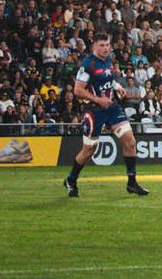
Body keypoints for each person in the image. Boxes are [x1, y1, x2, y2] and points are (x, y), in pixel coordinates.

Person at [63, 31, 147, 198]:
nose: (105, 48)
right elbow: (78, 90)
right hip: (94, 110)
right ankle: (71, 180)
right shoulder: (88, 64)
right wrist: (97, 99)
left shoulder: (108, 60)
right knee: (89, 149)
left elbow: (107, 79)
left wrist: (116, 86)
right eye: (101, 45)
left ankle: (132, 182)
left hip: (112, 107)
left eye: (107, 45)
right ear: (94, 46)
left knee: (130, 142)